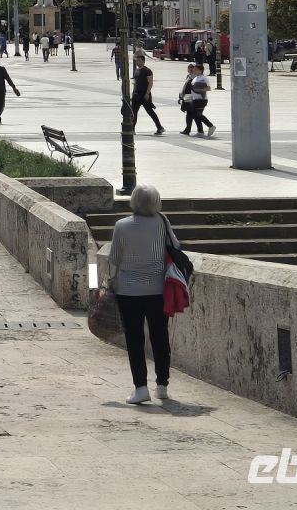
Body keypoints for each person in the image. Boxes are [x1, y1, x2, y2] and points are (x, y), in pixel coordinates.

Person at [103, 183, 178, 404]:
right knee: (160, 336)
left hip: (129, 291)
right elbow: (175, 246)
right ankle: (162, 385)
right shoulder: (162, 222)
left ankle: (141, 388)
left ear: (133, 200)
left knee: (135, 338)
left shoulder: (122, 226)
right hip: (157, 289)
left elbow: (114, 258)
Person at [131, 52, 164, 135]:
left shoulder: (147, 71)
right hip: (137, 94)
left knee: (150, 112)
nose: (137, 62)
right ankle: (132, 129)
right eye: (136, 61)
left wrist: (147, 93)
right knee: (133, 112)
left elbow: (150, 83)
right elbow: (135, 83)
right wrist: (133, 93)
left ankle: (159, 127)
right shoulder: (136, 71)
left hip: (145, 94)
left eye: (139, 61)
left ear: (143, 61)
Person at [179, 63, 215, 137]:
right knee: (191, 114)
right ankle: (191, 130)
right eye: (189, 67)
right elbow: (186, 88)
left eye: (193, 68)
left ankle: (208, 127)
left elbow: (206, 88)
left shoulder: (199, 78)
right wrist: (181, 97)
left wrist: (197, 90)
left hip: (197, 98)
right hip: (190, 97)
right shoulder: (191, 77)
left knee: (196, 114)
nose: (191, 69)